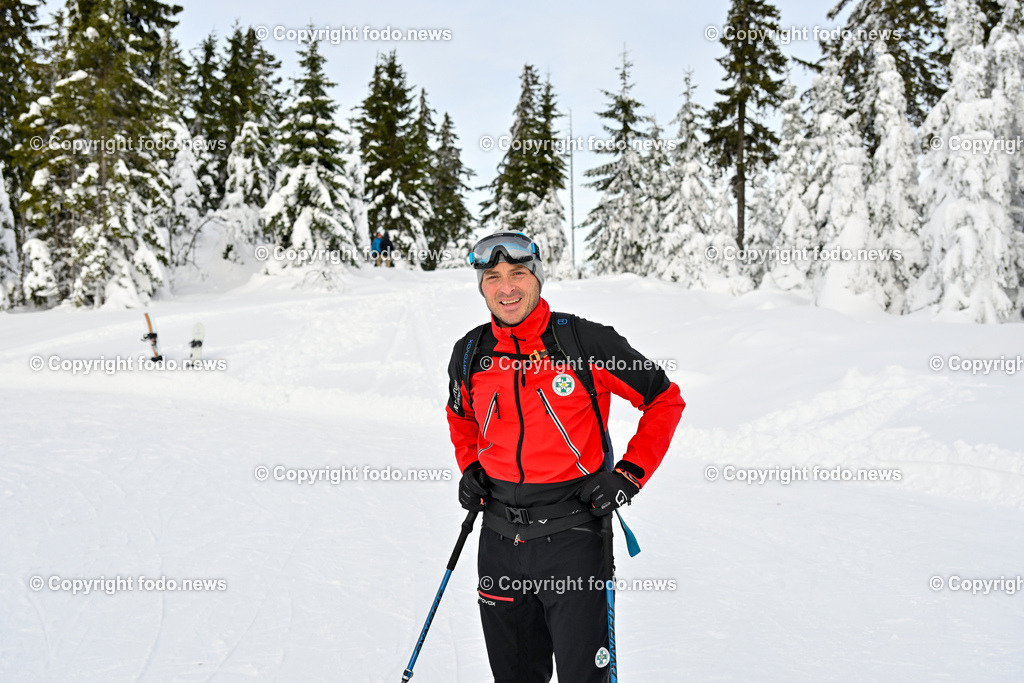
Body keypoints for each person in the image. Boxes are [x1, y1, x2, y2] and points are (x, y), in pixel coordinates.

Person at [445, 231, 685, 683]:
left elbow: (664, 400)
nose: (506, 287)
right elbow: (461, 417)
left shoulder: (584, 342)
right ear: (481, 286)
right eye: (492, 277)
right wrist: (470, 466)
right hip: (497, 540)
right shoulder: (470, 354)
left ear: (538, 279)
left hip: (573, 538)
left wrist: (628, 475)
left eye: (518, 273)